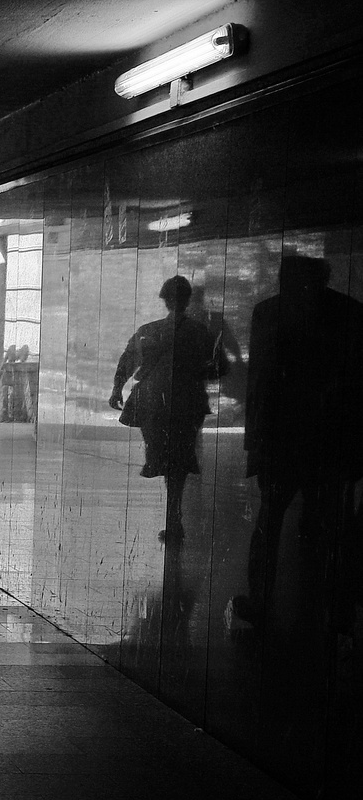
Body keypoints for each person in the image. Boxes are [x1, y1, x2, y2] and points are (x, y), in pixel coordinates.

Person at [232, 256, 363, 631]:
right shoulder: (350, 312)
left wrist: (254, 441)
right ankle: (334, 608)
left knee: (270, 522)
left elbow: (260, 382)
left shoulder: (269, 312)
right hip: (329, 441)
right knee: (329, 524)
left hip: (281, 440)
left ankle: (262, 601)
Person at [110, 276, 228, 543]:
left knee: (162, 454)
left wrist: (117, 388)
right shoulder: (201, 332)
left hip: (152, 400)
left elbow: (127, 361)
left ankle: (169, 503)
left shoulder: (148, 330)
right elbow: (221, 366)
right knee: (180, 459)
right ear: (188, 300)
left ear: (164, 300)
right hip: (188, 401)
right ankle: (174, 514)